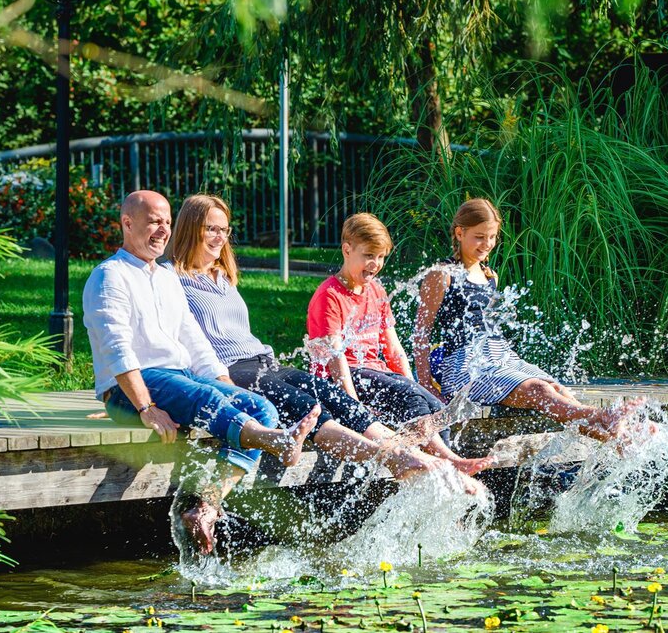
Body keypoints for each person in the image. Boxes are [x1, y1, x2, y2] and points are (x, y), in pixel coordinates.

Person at [167, 194, 492, 482]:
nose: (219, 237)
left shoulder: (223, 277)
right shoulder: (171, 278)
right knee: (309, 408)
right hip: (229, 370)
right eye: (211, 228)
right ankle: (401, 458)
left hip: (263, 361)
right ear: (190, 228)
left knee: (332, 398)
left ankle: (424, 459)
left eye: (224, 230)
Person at [82, 190, 319, 556]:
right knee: (207, 398)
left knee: (259, 408)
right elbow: (117, 349)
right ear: (128, 223)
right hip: (134, 388)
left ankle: (205, 507)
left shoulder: (165, 277)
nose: (163, 230)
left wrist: (228, 389)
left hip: (181, 379)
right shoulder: (108, 277)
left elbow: (194, 341)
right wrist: (145, 407)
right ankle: (275, 441)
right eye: (153, 222)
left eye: (166, 222)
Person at [412, 197, 643, 442]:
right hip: (464, 366)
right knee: (539, 390)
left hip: (501, 356)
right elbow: (421, 332)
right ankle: (606, 415)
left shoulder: (490, 276)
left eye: (492, 237)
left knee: (556, 389)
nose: (487, 244)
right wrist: (425, 383)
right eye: (479, 236)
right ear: (460, 233)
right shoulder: (442, 275)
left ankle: (621, 439)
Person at [305, 213, 484, 469]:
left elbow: (394, 349)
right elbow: (336, 360)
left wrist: (412, 382)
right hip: (344, 380)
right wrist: (354, 408)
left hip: (375, 374)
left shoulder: (376, 290)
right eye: (369, 255)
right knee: (412, 400)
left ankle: (424, 468)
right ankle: (449, 463)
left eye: (381, 257)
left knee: (435, 407)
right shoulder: (330, 296)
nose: (375, 264)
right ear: (347, 249)